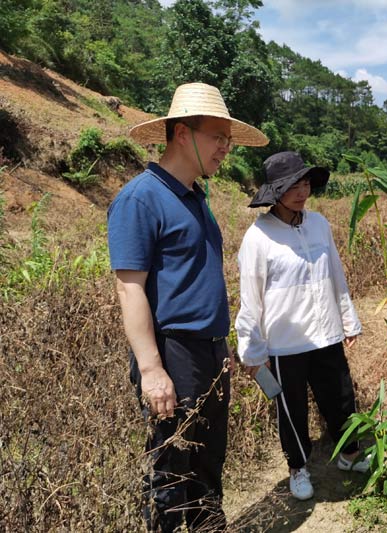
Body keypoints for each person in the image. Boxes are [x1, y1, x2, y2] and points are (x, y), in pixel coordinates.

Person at [107, 82, 268, 532]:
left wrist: (222, 346)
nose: (225, 149)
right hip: (172, 353)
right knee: (174, 467)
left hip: (208, 352)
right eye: (218, 137)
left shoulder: (197, 197)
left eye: (228, 140)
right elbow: (130, 289)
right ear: (182, 134)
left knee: (206, 461)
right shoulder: (140, 198)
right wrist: (153, 370)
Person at [235, 151, 369, 501]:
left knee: (341, 398)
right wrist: (253, 351)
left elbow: (335, 274)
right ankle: (297, 467)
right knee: (291, 409)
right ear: (274, 191)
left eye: (306, 182)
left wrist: (348, 319)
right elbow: (250, 298)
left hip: (325, 333)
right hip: (284, 343)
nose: (302, 191)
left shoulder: (319, 224)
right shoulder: (259, 236)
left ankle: (349, 455)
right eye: (292, 185)